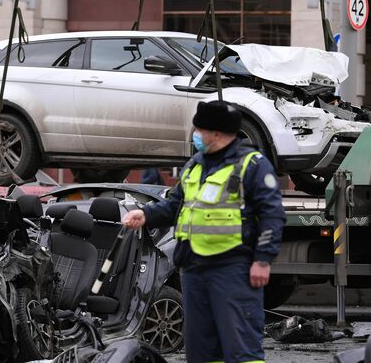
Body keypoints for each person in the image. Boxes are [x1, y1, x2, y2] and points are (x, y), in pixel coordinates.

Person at [122, 100, 286, 363]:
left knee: (241, 348)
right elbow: (176, 205)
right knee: (201, 351)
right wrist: (147, 214)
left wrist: (263, 260)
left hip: (233, 268)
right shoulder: (195, 165)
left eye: (199, 130)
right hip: (194, 269)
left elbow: (273, 216)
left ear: (216, 134)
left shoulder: (251, 165)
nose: (195, 135)